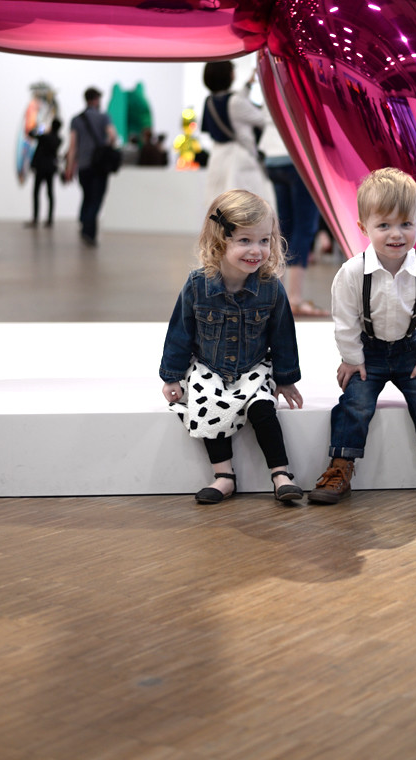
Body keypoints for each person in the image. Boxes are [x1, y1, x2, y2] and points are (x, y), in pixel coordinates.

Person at [308, 167, 416, 504]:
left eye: (405, 224)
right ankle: (340, 465)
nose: (396, 234)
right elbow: (344, 320)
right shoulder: (352, 272)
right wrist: (352, 359)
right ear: (363, 228)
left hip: (409, 352)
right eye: (383, 225)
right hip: (368, 354)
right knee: (355, 403)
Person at [159, 189, 305, 505]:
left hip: (253, 367)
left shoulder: (271, 288)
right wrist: (171, 376)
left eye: (264, 241)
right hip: (209, 367)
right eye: (245, 241)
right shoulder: (198, 286)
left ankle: (281, 474)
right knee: (205, 406)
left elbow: (283, 336)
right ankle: (224, 475)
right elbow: (180, 332)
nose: (256, 250)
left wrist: (286, 378)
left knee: (263, 409)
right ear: (219, 242)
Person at [260, 119, 329, 318]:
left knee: (285, 226)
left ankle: (278, 296)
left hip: (273, 156)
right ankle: (294, 299)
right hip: (296, 153)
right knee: (304, 227)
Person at [201, 61, 274, 207]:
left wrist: (248, 84)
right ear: (227, 74)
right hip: (239, 159)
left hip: (217, 157)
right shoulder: (235, 101)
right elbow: (263, 119)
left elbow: (233, 102)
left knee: (220, 205)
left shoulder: (209, 101)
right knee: (246, 205)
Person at [64, 87, 117, 246]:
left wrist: (69, 168)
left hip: (84, 165)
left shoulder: (76, 119)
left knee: (87, 196)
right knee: (96, 199)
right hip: (99, 165)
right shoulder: (103, 117)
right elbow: (112, 135)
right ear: (95, 99)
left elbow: (72, 146)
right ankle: (90, 233)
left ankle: (84, 223)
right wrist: (106, 146)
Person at [26, 117, 62, 227]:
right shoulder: (58, 139)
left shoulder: (45, 137)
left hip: (41, 168)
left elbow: (31, 134)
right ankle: (50, 219)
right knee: (50, 193)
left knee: (36, 193)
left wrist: (41, 129)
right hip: (50, 168)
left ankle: (35, 218)